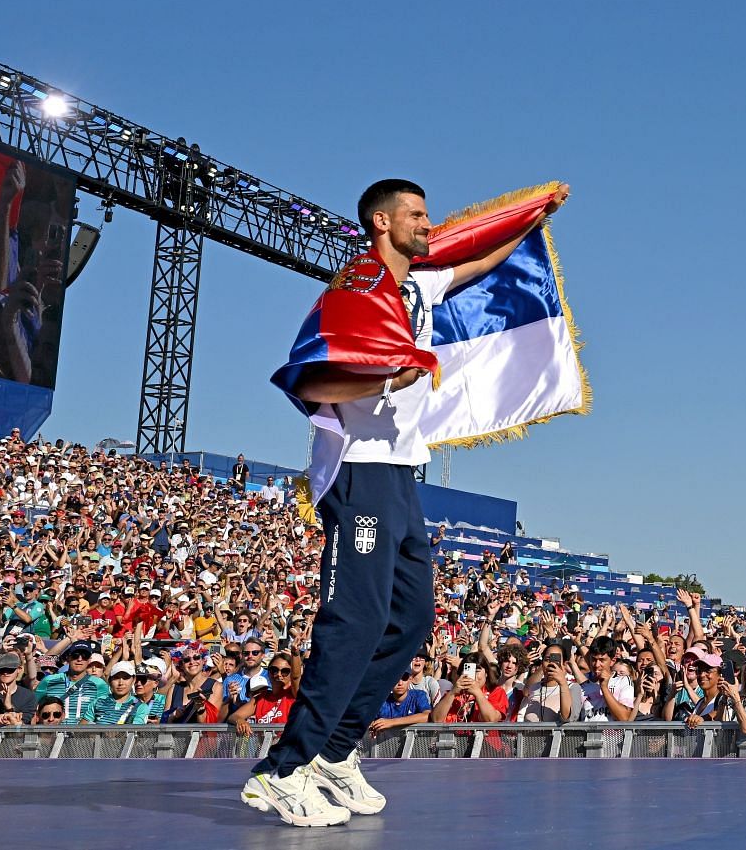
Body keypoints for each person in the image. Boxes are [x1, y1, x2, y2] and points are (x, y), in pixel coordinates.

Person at [243, 178, 568, 828]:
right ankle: (281, 769)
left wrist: (531, 215)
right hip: (359, 473)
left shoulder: (418, 287)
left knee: (412, 617)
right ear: (381, 222)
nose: (429, 222)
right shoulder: (354, 291)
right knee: (354, 621)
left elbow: (476, 259)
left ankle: (335, 752)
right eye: (416, 214)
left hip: (401, 476)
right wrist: (392, 372)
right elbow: (313, 377)